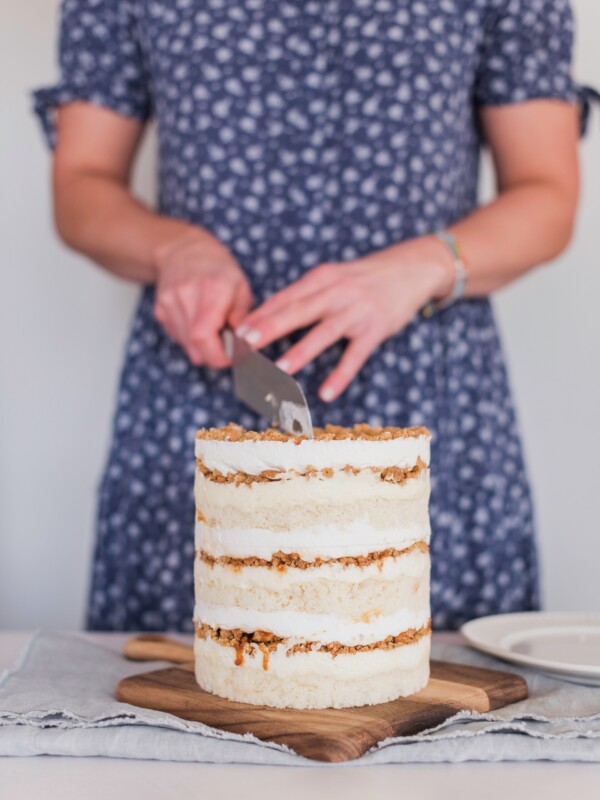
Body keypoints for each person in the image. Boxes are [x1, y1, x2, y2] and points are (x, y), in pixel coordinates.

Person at [34, 0, 589, 632]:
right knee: (197, 677)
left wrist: (422, 266)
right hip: (205, 387)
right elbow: (82, 182)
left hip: (429, 401)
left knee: (425, 688)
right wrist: (171, 249)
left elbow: (547, 193)